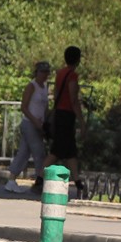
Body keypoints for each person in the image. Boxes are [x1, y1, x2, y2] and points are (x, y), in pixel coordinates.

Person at [4, 60, 52, 194]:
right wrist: (35, 121)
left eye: (46, 72)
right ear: (36, 72)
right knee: (38, 152)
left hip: (39, 124)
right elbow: (24, 107)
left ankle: (11, 179)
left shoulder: (44, 88)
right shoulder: (32, 86)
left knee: (24, 152)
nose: (44, 75)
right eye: (42, 72)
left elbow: (45, 108)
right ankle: (40, 181)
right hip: (30, 123)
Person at [46, 45, 87, 197]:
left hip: (60, 113)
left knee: (70, 150)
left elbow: (57, 94)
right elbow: (73, 99)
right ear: (78, 59)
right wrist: (82, 122)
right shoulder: (72, 76)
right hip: (67, 114)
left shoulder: (60, 73)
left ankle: (77, 182)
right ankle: (40, 176)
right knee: (57, 150)